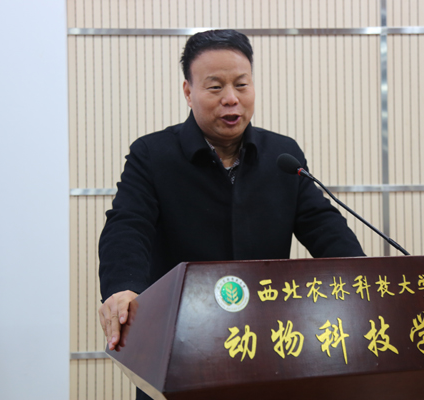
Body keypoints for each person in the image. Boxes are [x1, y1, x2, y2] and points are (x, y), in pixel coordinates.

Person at [98, 29, 364, 399]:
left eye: (241, 84)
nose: (231, 98)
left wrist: (364, 281)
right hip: (181, 348)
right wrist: (122, 288)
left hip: (271, 348)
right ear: (188, 91)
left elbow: (325, 227)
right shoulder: (153, 155)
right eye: (215, 87)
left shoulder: (281, 156)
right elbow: (128, 225)